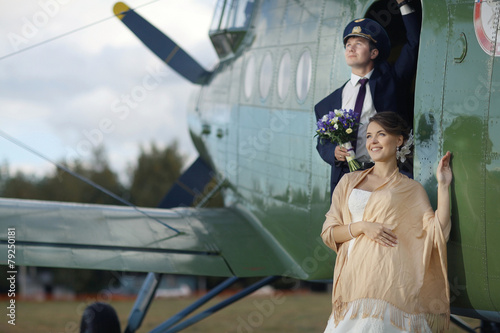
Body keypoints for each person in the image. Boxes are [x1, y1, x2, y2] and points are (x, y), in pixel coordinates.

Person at [321, 112, 452, 333]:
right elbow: (329, 233)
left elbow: (437, 231)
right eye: (369, 135)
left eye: (381, 134)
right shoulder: (349, 181)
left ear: (399, 140)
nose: (373, 141)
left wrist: (443, 185)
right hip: (354, 279)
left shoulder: (411, 189)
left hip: (389, 282)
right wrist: (363, 227)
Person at [315, 0, 421, 195]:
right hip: (346, 179)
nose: (350, 48)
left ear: (374, 52)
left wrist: (404, 5)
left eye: (358, 43)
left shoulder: (392, 81)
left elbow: (413, 43)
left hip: (386, 176)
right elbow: (322, 143)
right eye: (348, 44)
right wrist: (333, 152)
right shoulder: (327, 104)